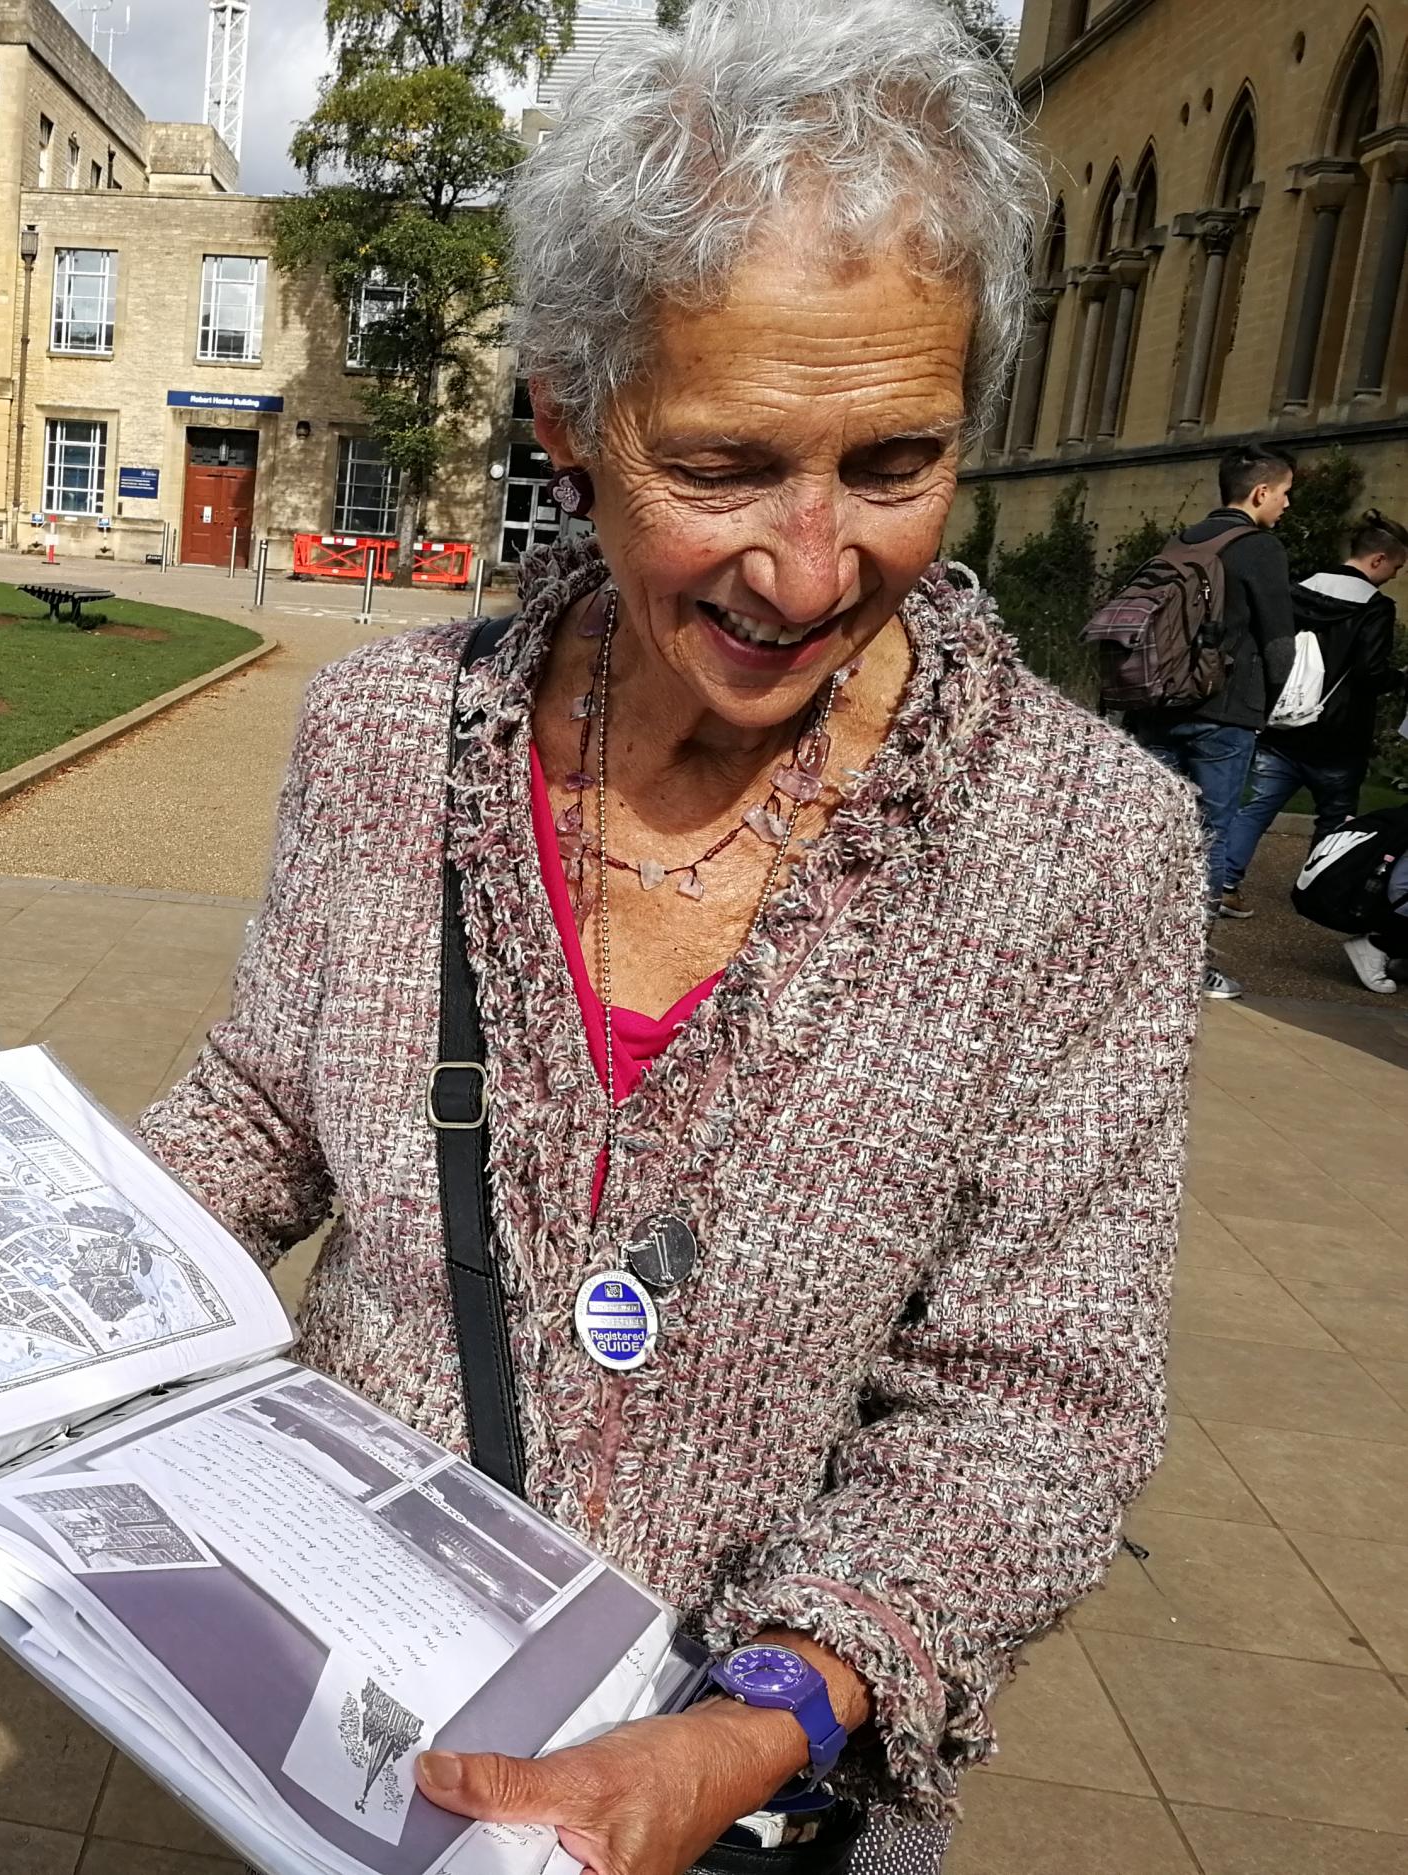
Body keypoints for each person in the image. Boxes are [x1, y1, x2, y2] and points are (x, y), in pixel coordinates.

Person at [138, 6, 1203, 1873]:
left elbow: (1038, 1403)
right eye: (721, 467)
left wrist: (761, 1717)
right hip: (345, 1739)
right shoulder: (389, 735)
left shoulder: (1086, 845)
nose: (808, 571)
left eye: (895, 463)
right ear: (571, 408)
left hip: (744, 1816)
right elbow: (259, 1113)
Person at [1121, 447, 1297, 981]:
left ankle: (1127, 952)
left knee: (1151, 829)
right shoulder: (1261, 548)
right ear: (1260, 492)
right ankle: (1187, 966)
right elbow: (1279, 642)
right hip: (1223, 714)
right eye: (1285, 493)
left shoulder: (1184, 539)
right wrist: (1268, 704)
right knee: (1211, 835)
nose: (1287, 504)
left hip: (1157, 701)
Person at [1219, 512, 1405, 960]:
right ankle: (1319, 888)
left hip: (1285, 723)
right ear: (1379, 559)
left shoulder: (1299, 589)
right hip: (1340, 734)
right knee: (1335, 817)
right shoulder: (1376, 608)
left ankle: (1225, 882)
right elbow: (1368, 672)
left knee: (1257, 807)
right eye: (1398, 567)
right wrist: (1398, 678)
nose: (1397, 575)